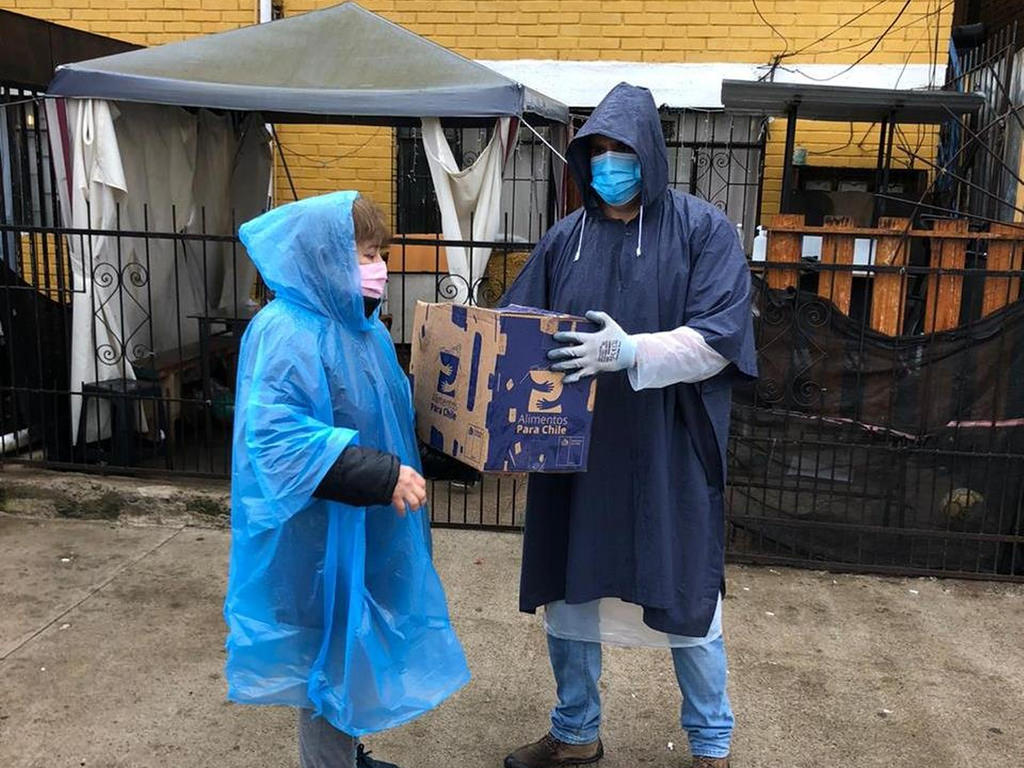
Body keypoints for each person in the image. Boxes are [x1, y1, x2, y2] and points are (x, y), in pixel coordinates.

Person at [500, 84, 757, 768]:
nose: (611, 165)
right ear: (581, 160)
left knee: (687, 600)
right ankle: (576, 731)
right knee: (569, 591)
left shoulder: (703, 232)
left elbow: (720, 339)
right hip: (575, 455)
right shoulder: (565, 239)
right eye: (599, 152)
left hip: (665, 450)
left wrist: (633, 351)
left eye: (625, 151)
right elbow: (513, 331)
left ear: (653, 154)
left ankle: (711, 746)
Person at [223, 191, 475, 768]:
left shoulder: (365, 331)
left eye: (378, 253)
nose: (378, 268)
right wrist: (382, 475)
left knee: (350, 646)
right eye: (365, 254)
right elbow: (277, 441)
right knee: (326, 659)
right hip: (316, 535)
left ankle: (347, 754)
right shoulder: (286, 331)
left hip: (360, 525)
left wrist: (443, 453)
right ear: (323, 258)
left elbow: (387, 419)